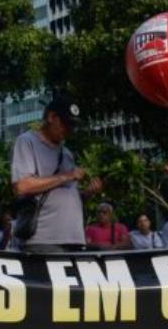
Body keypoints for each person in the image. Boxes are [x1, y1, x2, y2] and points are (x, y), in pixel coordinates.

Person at [10, 97, 102, 253]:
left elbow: (68, 196)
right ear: (51, 117)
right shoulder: (26, 141)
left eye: (73, 126)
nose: (70, 130)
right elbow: (21, 186)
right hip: (44, 240)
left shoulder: (66, 153)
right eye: (66, 124)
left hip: (75, 239)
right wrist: (65, 176)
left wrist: (88, 193)